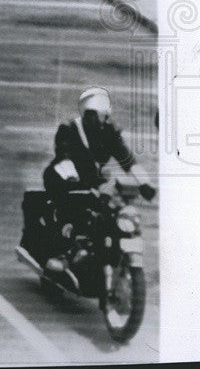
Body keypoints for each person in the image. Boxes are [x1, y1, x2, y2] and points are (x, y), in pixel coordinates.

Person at [32, 87, 156, 276]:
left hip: (92, 178)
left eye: (106, 116)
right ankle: (62, 252)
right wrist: (75, 182)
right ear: (89, 114)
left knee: (110, 209)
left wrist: (144, 183)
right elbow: (64, 158)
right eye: (101, 115)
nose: (105, 120)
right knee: (70, 209)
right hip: (61, 177)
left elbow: (127, 159)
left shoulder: (108, 132)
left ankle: (101, 246)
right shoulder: (68, 129)